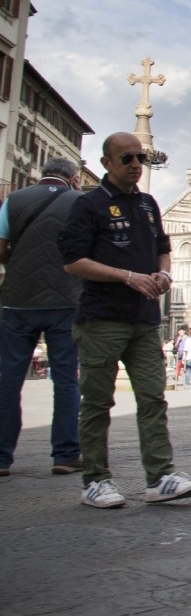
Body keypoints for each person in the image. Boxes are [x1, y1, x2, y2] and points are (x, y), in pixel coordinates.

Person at [57, 132, 191, 508]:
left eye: (140, 158)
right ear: (107, 163)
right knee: (97, 402)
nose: (136, 164)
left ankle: (160, 477)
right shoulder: (88, 205)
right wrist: (127, 276)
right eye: (127, 158)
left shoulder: (148, 205)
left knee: (153, 398)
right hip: (102, 318)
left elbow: (163, 251)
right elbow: (73, 261)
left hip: (143, 319)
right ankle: (96, 480)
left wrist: (164, 275)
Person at [0, 157, 84, 478]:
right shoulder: (80, 202)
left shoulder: (14, 200)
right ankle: (65, 454)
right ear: (74, 179)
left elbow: (0, 249)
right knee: (65, 378)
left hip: (18, 301)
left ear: (41, 175)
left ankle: (2, 457)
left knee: (9, 380)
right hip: (65, 299)